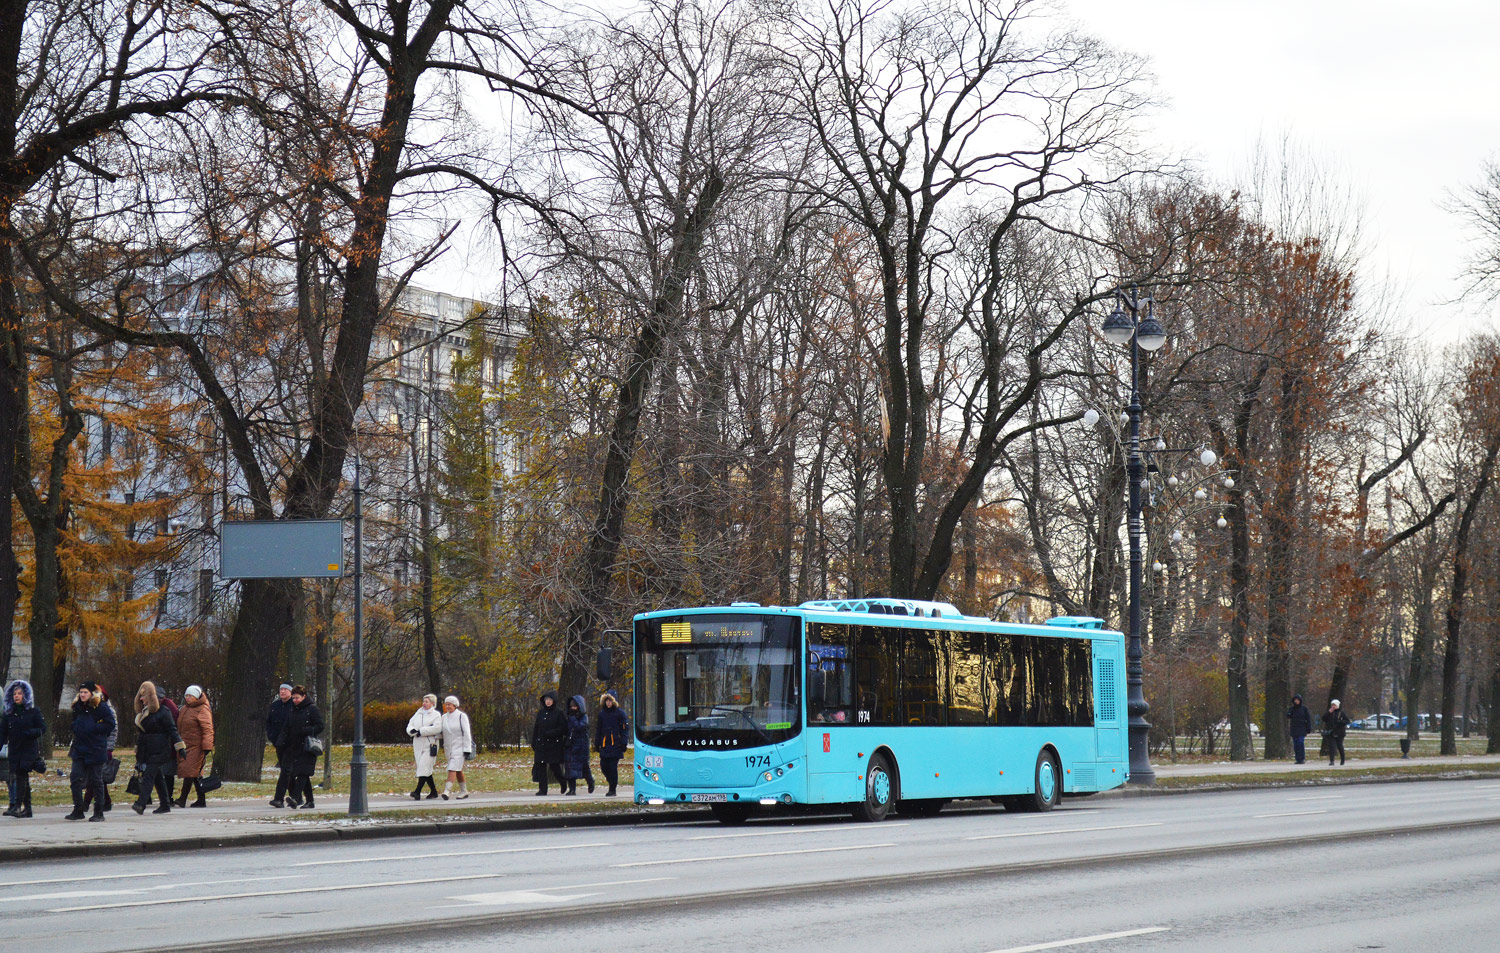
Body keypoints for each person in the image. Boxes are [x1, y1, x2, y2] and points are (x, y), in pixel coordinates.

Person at [131, 681, 185, 815]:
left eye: (143, 696)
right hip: (148, 749)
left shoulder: (163, 712)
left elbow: (173, 730)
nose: (141, 699)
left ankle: (141, 803)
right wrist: (138, 747)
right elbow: (143, 733)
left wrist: (180, 747)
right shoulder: (144, 712)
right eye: (140, 696)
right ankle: (165, 804)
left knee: (149, 775)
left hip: (160, 749)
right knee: (157, 777)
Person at [66, 682, 114, 821]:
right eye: (81, 692)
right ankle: (78, 809)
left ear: (92, 693)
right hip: (80, 748)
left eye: (85, 692)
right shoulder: (77, 707)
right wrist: (75, 727)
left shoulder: (101, 706)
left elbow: (110, 724)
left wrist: (95, 728)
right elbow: (75, 721)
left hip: (96, 748)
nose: (82, 695)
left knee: (96, 780)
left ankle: (98, 812)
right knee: (75, 777)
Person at [276, 686, 324, 810]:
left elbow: (320, 725)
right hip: (294, 746)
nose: (295, 700)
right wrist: (281, 741)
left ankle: (296, 798)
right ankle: (310, 801)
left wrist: (306, 730)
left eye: (297, 698)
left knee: (303, 772)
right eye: (293, 698)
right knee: (303, 774)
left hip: (308, 746)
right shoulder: (292, 710)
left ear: (304, 696)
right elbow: (287, 727)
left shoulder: (312, 709)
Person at [3, 679, 45, 818]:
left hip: (28, 749)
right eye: (14, 693)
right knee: (22, 777)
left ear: (25, 695)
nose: (17, 696)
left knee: (21, 775)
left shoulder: (33, 711)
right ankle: (27, 809)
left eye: (19, 693)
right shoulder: (9, 714)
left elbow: (42, 728)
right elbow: (3, 733)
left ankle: (17, 806)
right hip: (15, 749)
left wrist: (30, 732)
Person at [174, 685, 214, 807]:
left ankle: (183, 799)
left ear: (196, 697)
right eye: (186, 695)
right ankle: (201, 799)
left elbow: (207, 729)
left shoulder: (202, 709)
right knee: (194, 773)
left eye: (190, 696)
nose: (188, 698)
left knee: (190, 772)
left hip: (197, 746)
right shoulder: (185, 708)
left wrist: (207, 746)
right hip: (186, 745)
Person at [531, 691, 568, 796]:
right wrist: (534, 742)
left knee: (554, 766)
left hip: (553, 744)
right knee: (541, 766)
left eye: (550, 700)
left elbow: (563, 729)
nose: (548, 702)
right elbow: (536, 728)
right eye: (546, 699)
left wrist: (551, 733)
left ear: (553, 701)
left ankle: (562, 781)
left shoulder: (558, 713)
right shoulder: (541, 713)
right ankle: (543, 789)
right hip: (541, 743)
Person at [406, 694, 443, 800]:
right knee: (425, 769)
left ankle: (417, 792)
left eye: (427, 701)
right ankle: (434, 792)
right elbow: (410, 724)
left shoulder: (436, 715)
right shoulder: (418, 713)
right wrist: (411, 731)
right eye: (423, 701)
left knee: (423, 767)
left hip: (430, 745)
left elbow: (437, 728)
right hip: (418, 745)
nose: (424, 703)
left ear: (432, 703)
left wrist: (421, 731)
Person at [266, 684, 297, 808]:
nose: (283, 692)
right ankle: (296, 796)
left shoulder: (294, 706)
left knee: (286, 770)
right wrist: (272, 737)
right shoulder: (275, 705)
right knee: (287, 771)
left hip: (291, 743)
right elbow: (269, 722)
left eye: (285, 690)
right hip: (278, 743)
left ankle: (279, 799)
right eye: (281, 689)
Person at [594, 690, 629, 798]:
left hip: (616, 744)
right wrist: (597, 743)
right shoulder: (602, 714)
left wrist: (623, 743)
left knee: (612, 767)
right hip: (605, 744)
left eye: (610, 701)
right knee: (604, 766)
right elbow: (598, 729)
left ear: (614, 701)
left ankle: (612, 789)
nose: (608, 703)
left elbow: (625, 729)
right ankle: (611, 782)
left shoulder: (620, 713)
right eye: (607, 700)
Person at [439, 695, 474, 800]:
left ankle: (447, 791)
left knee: (452, 768)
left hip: (460, 747)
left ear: (455, 705)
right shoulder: (444, 717)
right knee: (457, 770)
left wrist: (467, 749)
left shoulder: (461, 716)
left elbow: (467, 733)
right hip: (449, 748)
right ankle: (464, 791)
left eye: (449, 704)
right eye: (446, 704)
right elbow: (442, 732)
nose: (447, 706)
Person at [563, 695, 594, 795]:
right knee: (569, 768)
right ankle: (572, 789)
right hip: (570, 746)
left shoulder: (584, 717)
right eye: (571, 707)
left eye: (575, 706)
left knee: (584, 768)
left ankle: (590, 782)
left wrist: (573, 719)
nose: (573, 708)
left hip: (581, 747)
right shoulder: (569, 717)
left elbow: (579, 727)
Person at [1323, 698, 1350, 766]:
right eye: (1332, 705)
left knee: (1340, 746)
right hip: (1332, 732)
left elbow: (1347, 721)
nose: (1333, 706)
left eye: (1334, 705)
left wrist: (1340, 722)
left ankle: (1342, 760)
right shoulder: (1330, 713)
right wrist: (1329, 712)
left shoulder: (1341, 712)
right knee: (1332, 747)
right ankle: (1332, 761)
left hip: (1340, 732)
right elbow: (1324, 718)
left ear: (1337, 705)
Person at [1286, 693, 1312, 764]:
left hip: (1302, 728)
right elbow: (1288, 716)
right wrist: (1289, 712)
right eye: (1295, 700)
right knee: (1296, 744)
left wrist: (1308, 728)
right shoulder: (1292, 709)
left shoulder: (1304, 709)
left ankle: (1302, 758)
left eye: (1297, 700)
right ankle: (1298, 759)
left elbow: (1308, 718)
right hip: (1294, 728)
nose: (1296, 701)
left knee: (1300, 742)